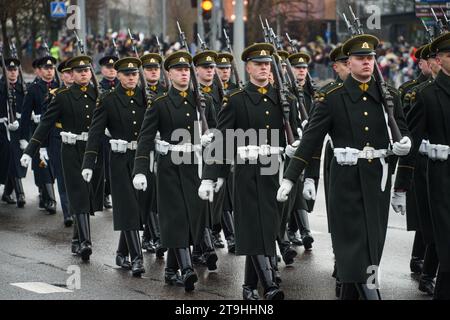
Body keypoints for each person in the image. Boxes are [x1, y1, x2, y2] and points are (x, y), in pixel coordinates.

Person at [277, 34, 411, 300]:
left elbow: (403, 132)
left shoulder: (388, 95)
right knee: (353, 247)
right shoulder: (332, 97)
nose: (367, 63)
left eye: (370, 58)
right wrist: (291, 178)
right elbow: (310, 141)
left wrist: (403, 147)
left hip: (377, 181)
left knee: (372, 245)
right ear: (348, 63)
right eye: (360, 59)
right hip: (345, 182)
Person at [199, 43, 300, 300]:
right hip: (246, 173)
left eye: (267, 64)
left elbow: (295, 134)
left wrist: (296, 150)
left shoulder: (283, 98)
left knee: (267, 227)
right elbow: (221, 140)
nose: (264, 68)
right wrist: (212, 176)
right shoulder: (235, 100)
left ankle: (248, 287)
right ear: (248, 67)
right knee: (255, 227)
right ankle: (269, 284)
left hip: (274, 171)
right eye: (258, 64)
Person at [133, 50, 216, 292]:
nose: (183, 73)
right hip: (170, 168)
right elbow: (145, 138)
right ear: (169, 74)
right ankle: (187, 268)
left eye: (186, 70)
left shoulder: (203, 101)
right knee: (177, 217)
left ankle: (171, 270)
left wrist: (214, 145)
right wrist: (140, 170)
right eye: (178, 70)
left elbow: (218, 132)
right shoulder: (160, 104)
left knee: (193, 219)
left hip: (196, 167)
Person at [20, 55, 104, 262]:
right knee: (79, 193)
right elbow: (45, 125)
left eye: (87, 71)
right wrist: (29, 150)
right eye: (79, 71)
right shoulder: (62, 96)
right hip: (71, 150)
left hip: (93, 150)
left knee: (89, 193)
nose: (84, 74)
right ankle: (85, 241)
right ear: (72, 75)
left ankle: (76, 239)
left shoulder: (99, 95)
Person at [393, 32, 450, 300]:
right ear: (438, 60)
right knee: (445, 246)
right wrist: (401, 186)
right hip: (440, 179)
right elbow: (411, 143)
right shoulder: (424, 96)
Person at [82, 57, 148, 277]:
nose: (131, 78)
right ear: (118, 75)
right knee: (128, 207)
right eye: (127, 74)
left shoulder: (147, 98)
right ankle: (137, 258)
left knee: (139, 208)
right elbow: (95, 132)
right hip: (120, 159)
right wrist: (89, 161)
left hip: (143, 158)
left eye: (134, 74)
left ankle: (122, 252)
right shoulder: (108, 100)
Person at [19, 56, 59, 214]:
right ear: (40, 71)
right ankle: (51, 200)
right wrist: (23, 137)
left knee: (54, 168)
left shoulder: (59, 86)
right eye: (46, 69)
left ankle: (45, 194)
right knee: (42, 167)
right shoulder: (34, 89)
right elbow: (25, 114)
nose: (49, 71)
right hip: (39, 135)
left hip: (55, 134)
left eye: (51, 68)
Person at [0, 58, 26, 207]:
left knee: (19, 160)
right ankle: (20, 193)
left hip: (20, 128)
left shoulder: (22, 86)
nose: (12, 72)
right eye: (9, 70)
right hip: (3, 129)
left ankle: (7, 192)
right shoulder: (1, 86)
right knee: (11, 158)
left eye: (15, 70)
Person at [98, 54, 119, 210]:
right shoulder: (98, 87)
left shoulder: (123, 85)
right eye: (108, 68)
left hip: (121, 132)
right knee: (107, 166)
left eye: (114, 68)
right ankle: (106, 193)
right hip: (105, 134)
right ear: (102, 69)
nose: (111, 70)